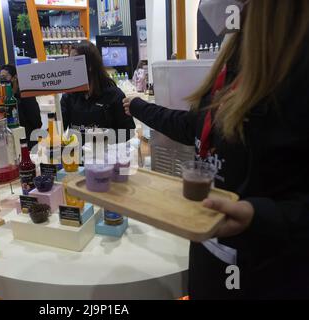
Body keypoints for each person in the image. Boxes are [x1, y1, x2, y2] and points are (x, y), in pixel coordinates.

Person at [123, 0, 309, 299]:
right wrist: (139, 107)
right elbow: (196, 126)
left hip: (269, 272)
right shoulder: (236, 57)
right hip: (210, 255)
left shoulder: (295, 68)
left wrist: (259, 215)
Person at [61, 41, 136, 144]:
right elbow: (59, 129)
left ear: (90, 65)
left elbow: (129, 132)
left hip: (107, 157)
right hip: (78, 157)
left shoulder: (114, 95)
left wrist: (105, 136)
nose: (70, 67)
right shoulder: (69, 97)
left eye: (75, 61)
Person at [0, 64, 42, 150]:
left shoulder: (26, 95)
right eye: (1, 78)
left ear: (15, 77)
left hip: (28, 142)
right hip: (12, 141)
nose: (2, 81)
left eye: (5, 77)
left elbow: (37, 121)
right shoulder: (3, 98)